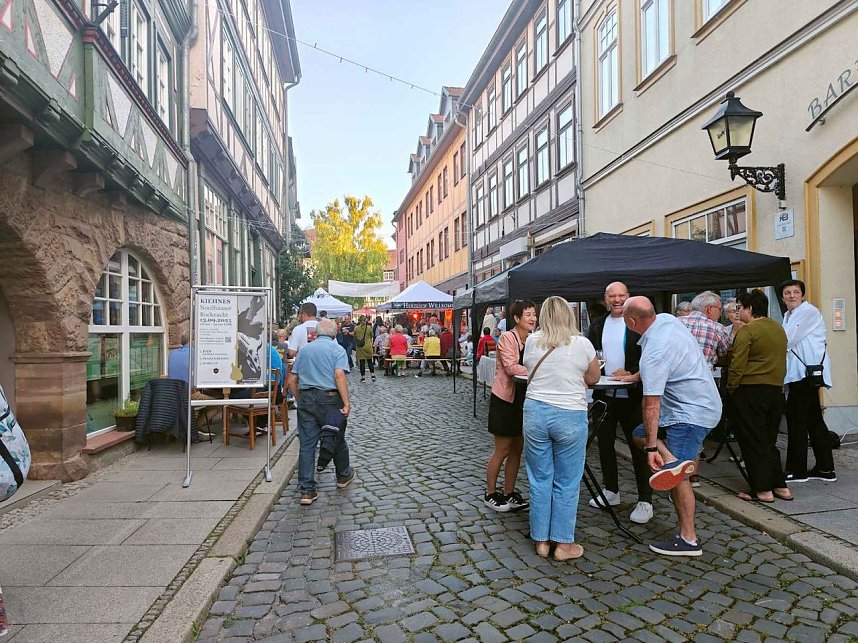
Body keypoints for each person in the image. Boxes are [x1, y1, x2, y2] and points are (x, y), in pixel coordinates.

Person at [623, 296, 722, 557]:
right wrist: (634, 375)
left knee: (679, 479)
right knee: (639, 434)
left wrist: (652, 448)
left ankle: (688, 539)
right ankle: (674, 462)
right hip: (701, 404)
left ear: (632, 322)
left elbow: (651, 405)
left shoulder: (654, 353)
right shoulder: (667, 320)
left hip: (689, 414)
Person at [523, 297, 601, 561]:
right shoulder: (583, 345)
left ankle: (542, 540)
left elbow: (528, 367)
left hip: (535, 412)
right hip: (569, 413)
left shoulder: (532, 341)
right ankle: (563, 544)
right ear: (569, 316)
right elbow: (593, 378)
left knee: (539, 478)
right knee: (567, 481)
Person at [586, 282, 653, 525]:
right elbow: (591, 354)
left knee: (639, 447)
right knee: (604, 444)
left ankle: (646, 500)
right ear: (605, 299)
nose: (616, 300)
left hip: (633, 396)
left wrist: (631, 371)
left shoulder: (638, 323)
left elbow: (650, 357)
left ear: (628, 298)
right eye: (612, 296)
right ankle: (611, 490)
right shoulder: (597, 324)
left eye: (621, 296)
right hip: (605, 395)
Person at [728, 290, 790, 503]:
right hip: (775, 390)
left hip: (750, 390)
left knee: (753, 441)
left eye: (740, 308)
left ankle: (762, 490)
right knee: (768, 440)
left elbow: (737, 363)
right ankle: (780, 485)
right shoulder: (778, 328)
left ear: (750, 308)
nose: (738, 312)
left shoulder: (748, 331)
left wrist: (731, 388)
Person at [287, 318, 355, 505]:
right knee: (335, 436)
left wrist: (300, 399)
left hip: (307, 398)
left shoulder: (305, 350)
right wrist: (346, 403)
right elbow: (339, 375)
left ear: (316, 333)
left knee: (307, 444)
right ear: (334, 334)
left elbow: (292, 380)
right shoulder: (337, 350)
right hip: (330, 399)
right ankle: (343, 475)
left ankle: (307, 491)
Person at [484, 299, 537, 512]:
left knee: (517, 448)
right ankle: (490, 493)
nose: (533, 318)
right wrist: (538, 370)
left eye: (534, 314)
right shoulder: (507, 337)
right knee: (502, 449)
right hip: (506, 399)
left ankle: (509, 492)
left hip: (524, 399)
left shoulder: (534, 339)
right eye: (528, 315)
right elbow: (511, 367)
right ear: (516, 318)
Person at [781, 279, 836, 482]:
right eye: (787, 293)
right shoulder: (789, 314)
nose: (792, 296)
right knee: (814, 420)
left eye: (796, 292)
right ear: (782, 296)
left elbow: (787, 339)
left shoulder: (807, 311)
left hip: (804, 374)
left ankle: (797, 470)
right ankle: (825, 469)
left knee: (797, 421)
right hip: (802, 373)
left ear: (802, 295)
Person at [167, 335, 217, 435]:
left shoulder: (172, 353)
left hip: (172, 395)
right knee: (216, 404)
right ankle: (193, 429)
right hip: (190, 394)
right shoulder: (195, 353)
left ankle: (191, 428)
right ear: (192, 341)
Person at [679, 291, 732, 368]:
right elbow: (723, 355)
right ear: (709, 309)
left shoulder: (675, 322)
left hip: (673, 377)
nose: (720, 314)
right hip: (702, 376)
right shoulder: (718, 328)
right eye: (720, 309)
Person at [354, 315, 376, 383]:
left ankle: (363, 377)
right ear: (365, 320)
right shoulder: (369, 328)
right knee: (370, 361)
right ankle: (373, 375)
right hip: (368, 346)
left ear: (359, 321)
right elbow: (372, 335)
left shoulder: (356, 328)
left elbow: (355, 337)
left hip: (360, 347)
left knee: (362, 362)